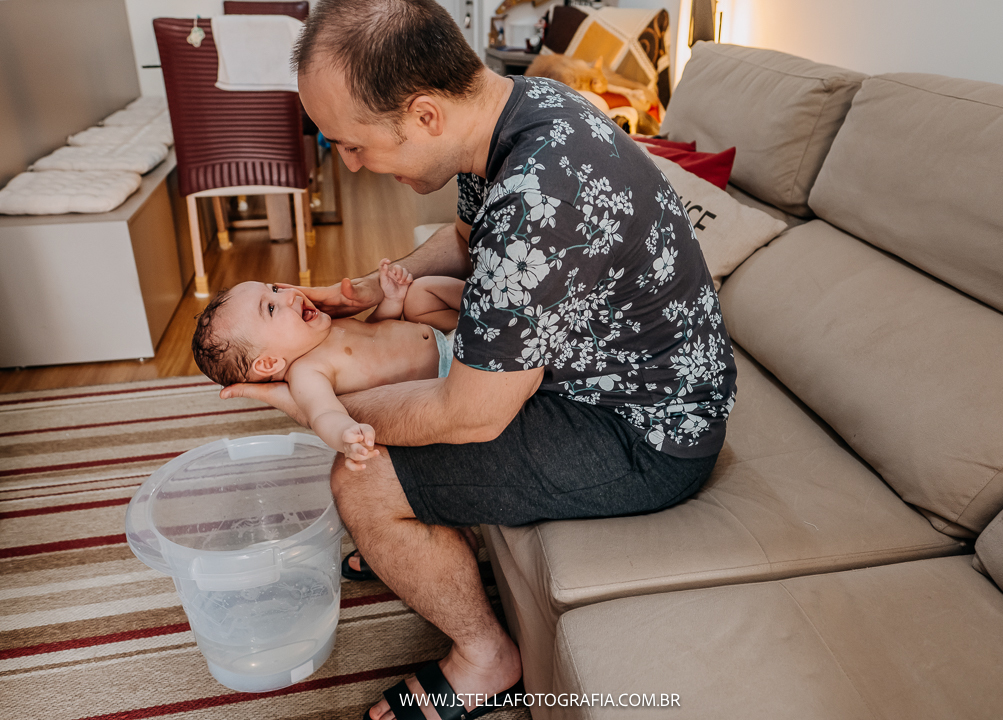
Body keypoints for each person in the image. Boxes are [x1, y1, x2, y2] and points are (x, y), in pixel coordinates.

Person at [222, 0, 737, 717]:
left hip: (644, 434)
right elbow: (469, 239)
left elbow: (469, 416)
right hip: (608, 376)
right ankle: (421, 533)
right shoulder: (515, 111)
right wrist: (369, 289)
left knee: (361, 482)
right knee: (397, 361)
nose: (349, 162)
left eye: (354, 143)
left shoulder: (540, 196)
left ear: (426, 115)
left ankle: (486, 660)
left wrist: (316, 408)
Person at [192, 261, 464, 469]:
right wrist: (345, 435)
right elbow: (323, 414)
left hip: (440, 331)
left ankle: (484, 302)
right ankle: (490, 320)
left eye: (274, 289)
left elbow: (375, 335)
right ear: (269, 362)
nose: (288, 295)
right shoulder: (307, 373)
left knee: (420, 292)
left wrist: (392, 301)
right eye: (271, 308)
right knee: (425, 292)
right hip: (447, 372)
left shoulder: (321, 328)